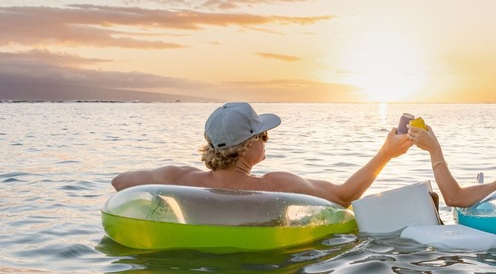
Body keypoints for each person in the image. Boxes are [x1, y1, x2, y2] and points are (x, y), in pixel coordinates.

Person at [111, 102, 413, 207]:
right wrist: (386, 153)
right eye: (263, 135)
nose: (267, 140)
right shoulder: (274, 185)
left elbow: (120, 182)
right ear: (246, 146)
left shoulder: (179, 179)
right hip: (260, 271)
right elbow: (345, 196)